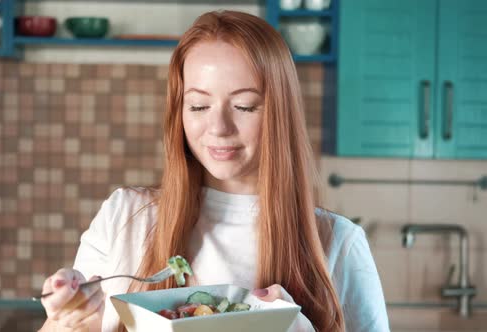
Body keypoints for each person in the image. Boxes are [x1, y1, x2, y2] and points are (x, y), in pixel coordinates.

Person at [39, 10, 390, 332]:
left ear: (278, 112)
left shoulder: (338, 244)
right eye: (199, 105)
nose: (219, 127)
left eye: (244, 106)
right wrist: (64, 321)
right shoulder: (124, 217)